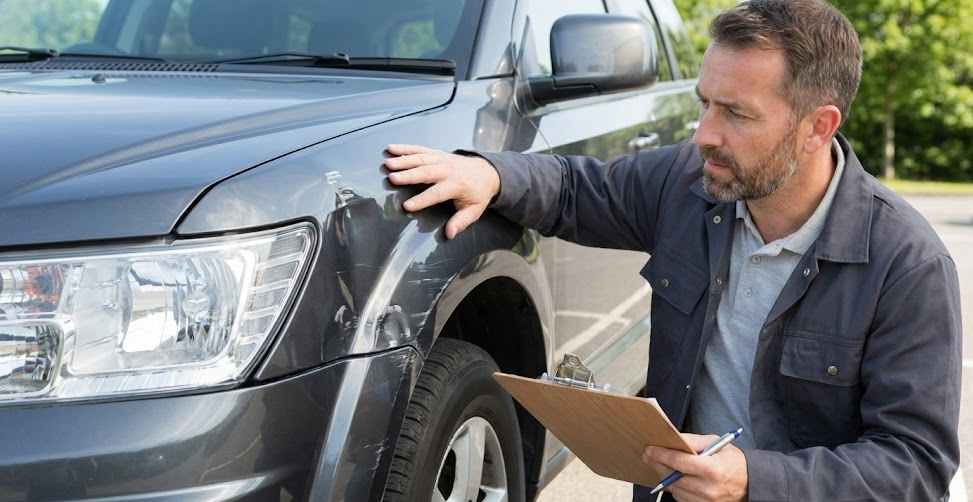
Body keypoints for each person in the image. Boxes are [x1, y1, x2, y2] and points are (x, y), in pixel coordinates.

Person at [383, 0, 963, 500]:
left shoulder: (907, 265)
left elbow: (914, 465)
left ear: (818, 128)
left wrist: (753, 482)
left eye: (735, 113)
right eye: (705, 102)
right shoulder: (689, 184)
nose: (703, 133)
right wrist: (489, 174)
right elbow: (574, 188)